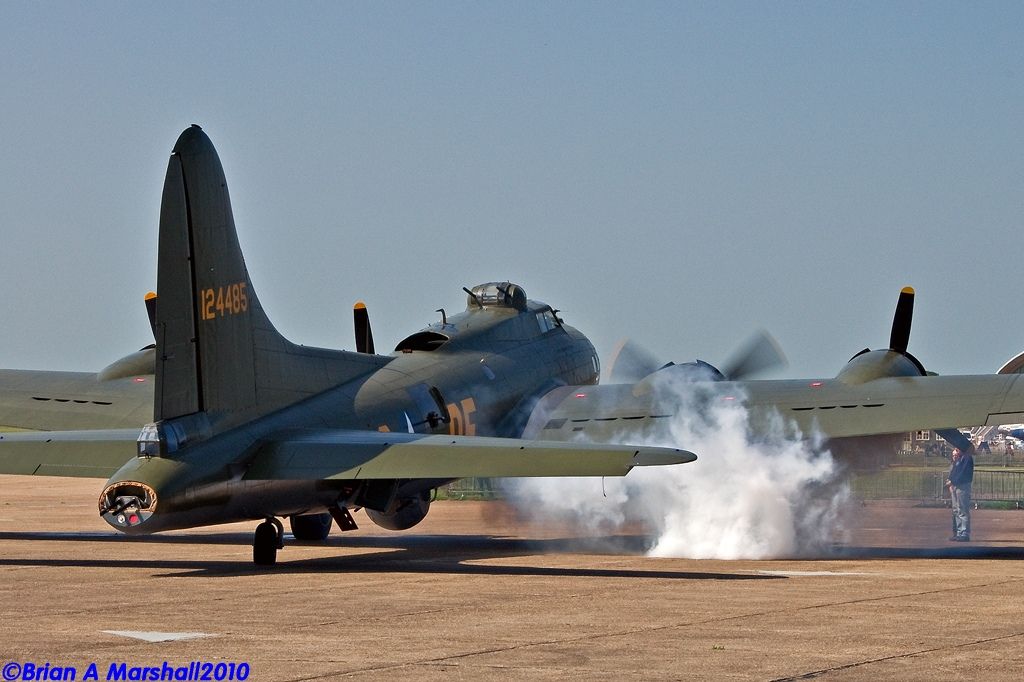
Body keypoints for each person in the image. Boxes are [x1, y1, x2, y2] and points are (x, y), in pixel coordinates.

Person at [946, 447, 974, 541]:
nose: (955, 451)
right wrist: (950, 480)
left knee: (962, 509)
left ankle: (964, 533)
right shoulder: (959, 459)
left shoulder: (967, 458)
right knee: (956, 510)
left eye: (957, 449)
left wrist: (952, 481)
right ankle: (959, 532)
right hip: (955, 485)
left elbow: (963, 473)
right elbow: (954, 471)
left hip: (962, 485)